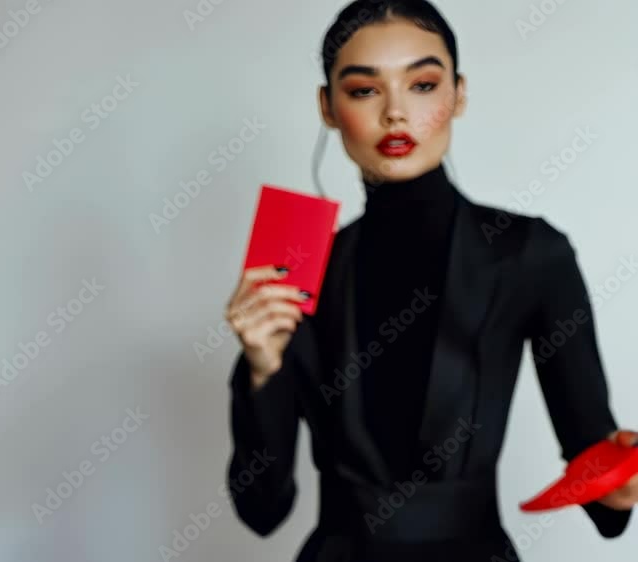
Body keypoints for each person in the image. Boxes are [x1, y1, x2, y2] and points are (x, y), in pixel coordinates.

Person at [223, 1, 637, 560]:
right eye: (364, 90)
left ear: (458, 94)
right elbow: (262, 510)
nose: (396, 113)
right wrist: (261, 371)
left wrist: (620, 480)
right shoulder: (299, 267)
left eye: (422, 84)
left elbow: (598, 471)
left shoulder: (530, 254)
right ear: (327, 106)